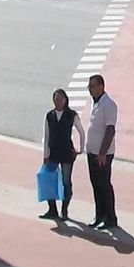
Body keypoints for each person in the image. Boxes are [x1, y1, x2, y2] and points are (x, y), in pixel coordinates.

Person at [41, 88, 82, 222]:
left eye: (59, 99)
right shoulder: (49, 115)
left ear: (65, 100)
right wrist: (45, 155)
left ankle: (65, 209)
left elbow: (81, 131)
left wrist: (79, 149)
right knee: (49, 180)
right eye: (55, 99)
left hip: (66, 152)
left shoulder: (72, 115)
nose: (57, 102)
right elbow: (46, 137)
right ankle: (52, 209)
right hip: (53, 152)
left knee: (66, 181)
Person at [83, 73, 118, 230]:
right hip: (92, 151)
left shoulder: (108, 105)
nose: (90, 90)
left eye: (92, 86)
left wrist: (103, 152)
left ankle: (111, 217)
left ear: (101, 86)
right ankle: (99, 215)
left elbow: (110, 130)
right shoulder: (95, 103)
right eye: (89, 87)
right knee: (95, 184)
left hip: (102, 154)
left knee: (104, 185)